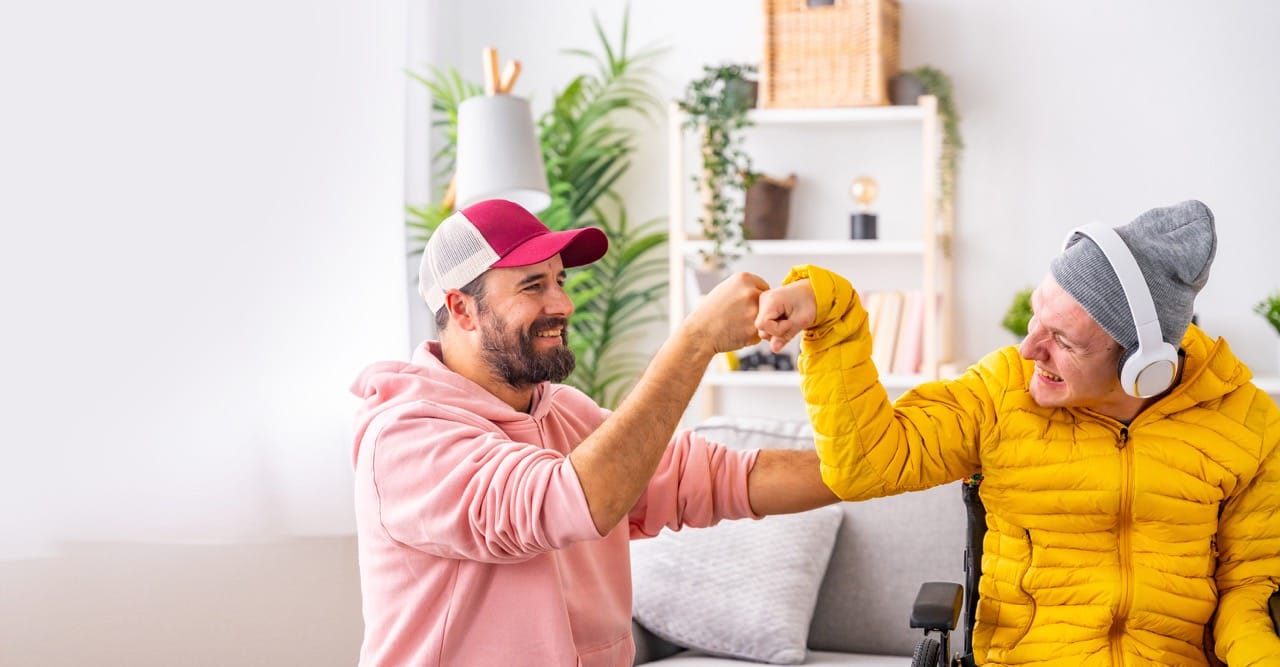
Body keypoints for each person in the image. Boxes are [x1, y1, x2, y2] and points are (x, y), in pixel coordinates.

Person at [755, 200, 1280, 666]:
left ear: (1143, 367)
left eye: (1063, 341)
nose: (1029, 350)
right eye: (1035, 317)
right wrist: (830, 317)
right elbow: (865, 465)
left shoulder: (1247, 424)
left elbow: (1252, 588)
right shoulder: (1000, 392)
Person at [349, 198, 837, 666]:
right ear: (462, 310)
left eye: (559, 281)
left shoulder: (566, 412)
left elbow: (714, 477)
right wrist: (695, 341)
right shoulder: (405, 437)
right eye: (532, 286)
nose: (563, 303)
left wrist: (862, 468)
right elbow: (558, 503)